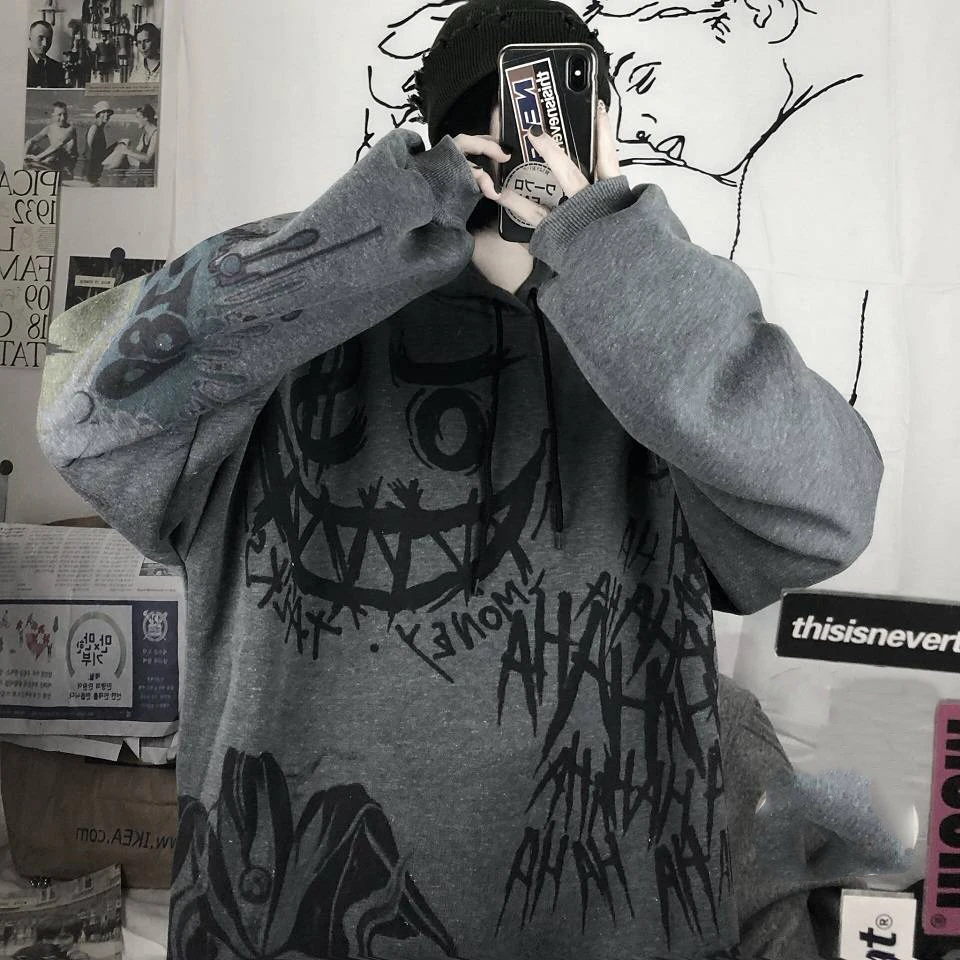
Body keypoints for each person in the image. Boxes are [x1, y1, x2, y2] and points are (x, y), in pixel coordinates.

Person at [37, 1, 884, 957]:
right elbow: (84, 422)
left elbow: (829, 513)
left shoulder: (662, 343)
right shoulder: (280, 322)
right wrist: (388, 216)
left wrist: (607, 248)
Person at [24, 100, 77, 176]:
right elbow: (31, 141)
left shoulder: (71, 129)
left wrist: (38, 157)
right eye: (59, 115)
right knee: (33, 147)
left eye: (65, 114)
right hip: (53, 158)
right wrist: (24, 154)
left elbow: (57, 145)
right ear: (53, 115)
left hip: (67, 162)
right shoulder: (50, 128)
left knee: (57, 151)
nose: (63, 118)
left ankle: (41, 163)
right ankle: (35, 164)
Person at [26, 21, 66, 88]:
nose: (45, 44)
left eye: (48, 39)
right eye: (40, 38)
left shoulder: (57, 67)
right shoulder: (19, 64)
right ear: (30, 37)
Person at [84, 100, 114, 185]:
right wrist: (88, 173)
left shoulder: (100, 129)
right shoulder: (94, 128)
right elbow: (88, 150)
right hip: (92, 167)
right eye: (103, 112)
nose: (106, 115)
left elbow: (101, 153)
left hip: (98, 163)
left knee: (122, 143)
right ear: (98, 114)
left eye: (108, 112)